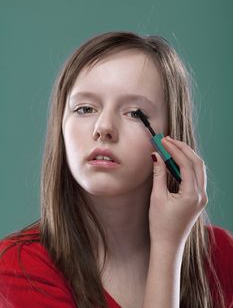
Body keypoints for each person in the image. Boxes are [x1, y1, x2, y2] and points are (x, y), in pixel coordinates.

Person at [0, 32, 232, 308]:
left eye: (135, 113)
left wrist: (170, 244)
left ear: (171, 136)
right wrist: (168, 251)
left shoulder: (220, 255)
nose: (103, 128)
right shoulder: (18, 266)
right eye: (85, 109)